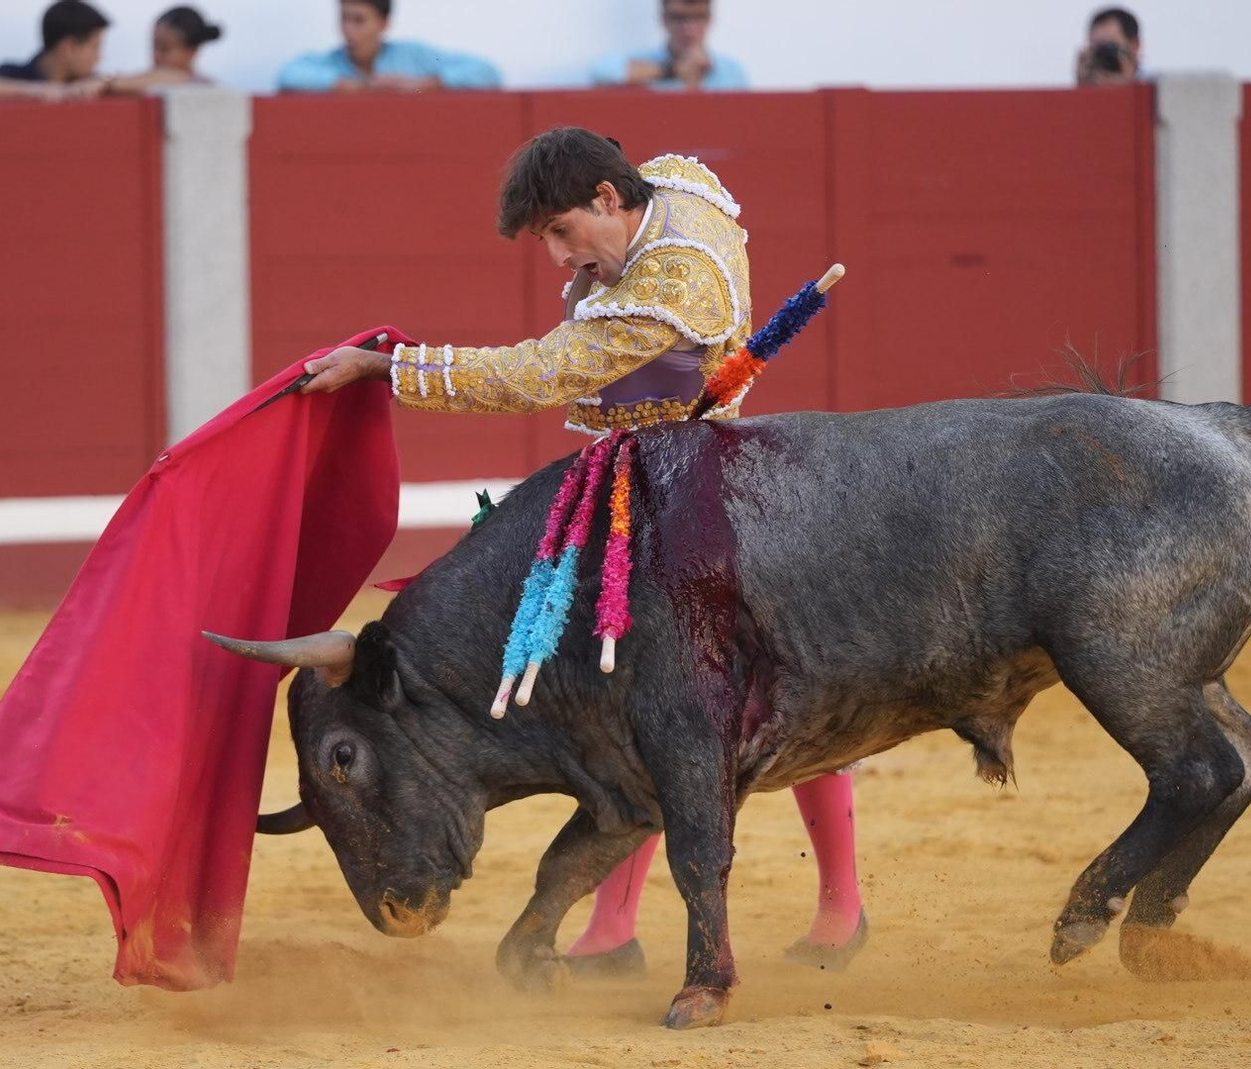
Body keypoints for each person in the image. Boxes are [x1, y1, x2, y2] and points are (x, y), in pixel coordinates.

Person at [300, 127, 867, 972]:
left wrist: (390, 368)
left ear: (609, 199)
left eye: (564, 232)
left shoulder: (674, 281)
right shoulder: (671, 190)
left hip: (689, 498)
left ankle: (837, 908)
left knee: (747, 698)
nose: (561, 258)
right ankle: (619, 928)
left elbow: (539, 374)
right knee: (631, 700)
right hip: (648, 482)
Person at [278, 0, 501, 93]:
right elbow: (287, 76)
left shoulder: (414, 55)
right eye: (344, 19)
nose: (348, 29)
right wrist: (349, 86)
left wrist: (424, 83)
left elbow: (488, 72)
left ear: (384, 23)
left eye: (359, 20)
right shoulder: (329, 63)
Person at [0, 0, 113, 101]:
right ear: (70, 47)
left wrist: (107, 82)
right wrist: (36, 90)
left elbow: (140, 81)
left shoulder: (88, 84)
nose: (100, 57)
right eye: (95, 47)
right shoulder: (16, 75)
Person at [591, 0, 747, 93]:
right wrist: (674, 70)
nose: (689, 28)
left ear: (709, 19)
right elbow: (602, 72)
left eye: (698, 17)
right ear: (664, 19)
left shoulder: (731, 70)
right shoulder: (645, 60)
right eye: (679, 18)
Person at [152, 5, 223, 82]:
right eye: (154, 46)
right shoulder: (148, 85)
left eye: (164, 49)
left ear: (191, 51)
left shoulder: (208, 90)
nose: (156, 55)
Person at [1076, 6, 1141, 86]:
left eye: (1110, 46)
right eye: (1097, 48)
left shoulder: (1156, 90)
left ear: (1135, 45)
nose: (1103, 55)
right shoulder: (1088, 83)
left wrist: (1129, 84)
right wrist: (1082, 87)